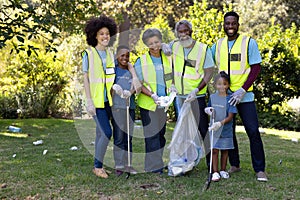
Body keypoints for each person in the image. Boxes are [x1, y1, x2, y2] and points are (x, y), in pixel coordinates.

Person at [211, 11, 267, 181]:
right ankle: (234, 164)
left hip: (244, 96)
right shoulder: (217, 45)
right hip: (225, 96)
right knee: (229, 132)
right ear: (223, 24)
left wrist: (243, 89)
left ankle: (260, 169)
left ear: (238, 24)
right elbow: (203, 60)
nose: (230, 27)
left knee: (252, 131)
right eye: (227, 23)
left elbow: (256, 67)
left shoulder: (248, 42)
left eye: (233, 23)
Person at [170, 20, 215, 168]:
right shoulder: (174, 46)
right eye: (180, 32)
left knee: (202, 129)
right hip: (180, 97)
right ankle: (185, 163)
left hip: (197, 97)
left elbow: (209, 73)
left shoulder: (202, 49)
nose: (183, 34)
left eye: (185, 31)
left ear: (191, 31)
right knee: (183, 131)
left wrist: (197, 90)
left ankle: (211, 165)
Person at [82, 15, 117, 179]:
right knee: (106, 132)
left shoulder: (110, 54)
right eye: (101, 33)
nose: (105, 36)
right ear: (95, 35)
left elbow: (111, 78)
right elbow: (86, 79)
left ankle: (98, 166)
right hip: (95, 101)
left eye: (107, 33)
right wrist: (89, 101)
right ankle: (98, 166)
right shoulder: (88, 54)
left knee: (99, 134)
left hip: (108, 101)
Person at [134, 28, 173, 174]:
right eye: (151, 43)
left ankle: (154, 163)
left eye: (157, 42)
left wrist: (172, 90)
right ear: (146, 44)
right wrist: (152, 95)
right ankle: (154, 167)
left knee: (161, 134)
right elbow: (139, 83)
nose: (155, 45)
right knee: (152, 135)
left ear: (161, 41)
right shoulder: (141, 61)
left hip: (163, 104)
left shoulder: (168, 58)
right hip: (149, 104)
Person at [205, 71, 237, 181]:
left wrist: (220, 123)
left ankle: (223, 170)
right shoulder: (213, 97)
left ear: (228, 85)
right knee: (214, 150)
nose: (222, 86)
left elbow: (230, 116)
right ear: (215, 85)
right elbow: (210, 109)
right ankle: (215, 172)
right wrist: (209, 111)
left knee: (225, 150)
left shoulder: (231, 99)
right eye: (219, 84)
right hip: (214, 130)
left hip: (226, 130)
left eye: (225, 84)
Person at [111, 45, 137, 176]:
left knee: (128, 137)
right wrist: (116, 90)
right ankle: (119, 165)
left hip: (130, 107)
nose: (125, 58)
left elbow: (137, 85)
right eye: (122, 55)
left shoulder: (131, 70)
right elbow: (109, 87)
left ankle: (128, 164)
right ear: (117, 56)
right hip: (117, 108)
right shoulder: (114, 71)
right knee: (119, 137)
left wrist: (130, 92)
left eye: (127, 55)